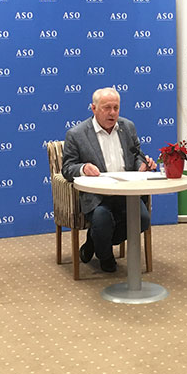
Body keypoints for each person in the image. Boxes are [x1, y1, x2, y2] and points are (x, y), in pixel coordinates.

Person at [61, 87, 157, 273]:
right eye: (107, 108)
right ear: (93, 108)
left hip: (127, 193)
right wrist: (83, 168)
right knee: (102, 219)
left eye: (116, 108)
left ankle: (93, 241)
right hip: (98, 196)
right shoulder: (77, 134)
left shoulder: (128, 127)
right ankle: (105, 256)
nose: (112, 113)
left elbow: (137, 156)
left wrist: (142, 165)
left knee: (143, 219)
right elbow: (67, 168)